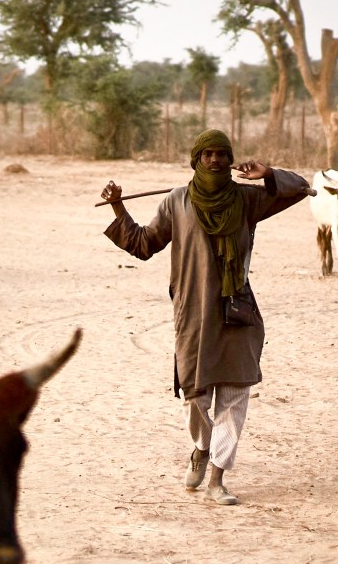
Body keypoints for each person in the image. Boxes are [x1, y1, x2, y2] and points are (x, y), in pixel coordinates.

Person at [102, 129, 311, 505]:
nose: (215, 160)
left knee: (234, 397)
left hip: (237, 313)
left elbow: (300, 190)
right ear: (196, 160)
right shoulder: (177, 201)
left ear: (231, 162)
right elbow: (143, 244)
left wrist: (267, 174)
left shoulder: (248, 199)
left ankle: (217, 479)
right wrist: (118, 206)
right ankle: (201, 447)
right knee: (195, 398)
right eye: (208, 154)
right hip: (193, 315)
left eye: (222, 154)